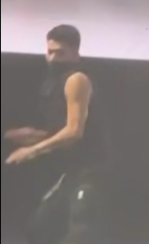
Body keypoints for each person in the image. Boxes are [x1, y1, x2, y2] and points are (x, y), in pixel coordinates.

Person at [4, 24, 111, 244]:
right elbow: (58, 132)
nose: (53, 58)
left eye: (60, 53)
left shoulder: (76, 80)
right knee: (39, 227)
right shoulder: (53, 84)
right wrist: (32, 135)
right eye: (50, 52)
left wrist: (31, 151)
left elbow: (74, 132)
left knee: (81, 228)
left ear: (75, 53)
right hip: (70, 172)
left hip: (90, 172)